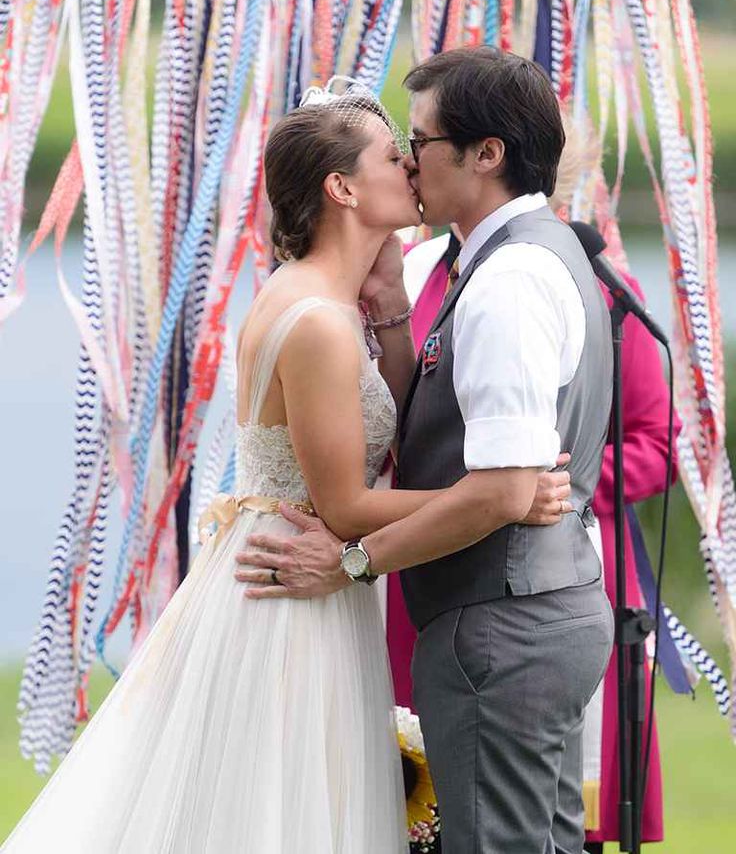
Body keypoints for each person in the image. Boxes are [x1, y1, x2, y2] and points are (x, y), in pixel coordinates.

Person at [3, 83, 568, 854]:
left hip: (306, 568)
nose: (410, 165)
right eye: (389, 157)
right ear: (342, 188)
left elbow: (385, 422)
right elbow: (343, 506)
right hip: (294, 579)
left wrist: (394, 300)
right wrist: (500, 495)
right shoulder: (317, 322)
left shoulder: (332, 302)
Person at [236, 47, 616, 854]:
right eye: (396, 147)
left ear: (487, 154)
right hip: (527, 610)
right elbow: (429, 431)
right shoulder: (517, 260)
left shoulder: (508, 282)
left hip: (502, 628)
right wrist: (397, 316)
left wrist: (349, 561)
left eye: (422, 140)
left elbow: (503, 492)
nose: (410, 161)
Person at [389, 120, 679, 849]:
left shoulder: (593, 283)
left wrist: (547, 480)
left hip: (540, 567)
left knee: (525, 813)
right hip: (429, 562)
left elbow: (651, 444)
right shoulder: (415, 269)